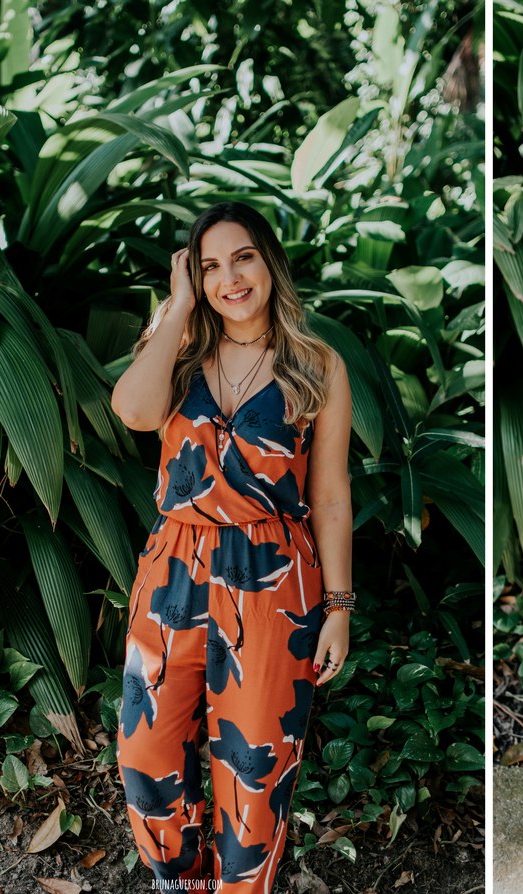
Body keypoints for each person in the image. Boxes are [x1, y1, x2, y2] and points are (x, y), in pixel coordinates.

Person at [110, 200, 353, 892]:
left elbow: (331, 495)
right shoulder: (179, 350)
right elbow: (132, 412)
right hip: (172, 574)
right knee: (144, 750)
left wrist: (339, 604)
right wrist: (178, 306)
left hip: (273, 581)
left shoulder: (316, 365)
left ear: (269, 261)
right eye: (210, 266)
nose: (229, 278)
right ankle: (181, 882)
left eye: (242, 257)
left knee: (256, 773)